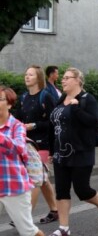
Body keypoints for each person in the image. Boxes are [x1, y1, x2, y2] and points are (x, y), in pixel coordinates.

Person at [49, 68, 98, 236]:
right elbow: (54, 125)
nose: (63, 80)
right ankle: (64, 228)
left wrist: (76, 109)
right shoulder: (61, 99)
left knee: (82, 190)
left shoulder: (87, 99)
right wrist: (50, 150)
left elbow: (92, 121)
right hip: (60, 152)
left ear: (78, 80)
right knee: (61, 190)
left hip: (81, 151)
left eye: (67, 78)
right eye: (63, 78)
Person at [14, 65, 58, 224]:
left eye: (30, 75)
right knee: (42, 178)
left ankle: (24, 217)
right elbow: (17, 119)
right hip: (27, 143)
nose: (27, 77)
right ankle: (55, 209)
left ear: (38, 78)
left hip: (43, 143)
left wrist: (34, 126)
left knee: (33, 178)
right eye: (26, 74)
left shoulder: (46, 96)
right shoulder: (24, 97)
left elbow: (54, 121)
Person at [0, 86, 46, 236]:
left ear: (9, 104)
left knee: (28, 231)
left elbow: (19, 147)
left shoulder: (16, 126)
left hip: (13, 186)